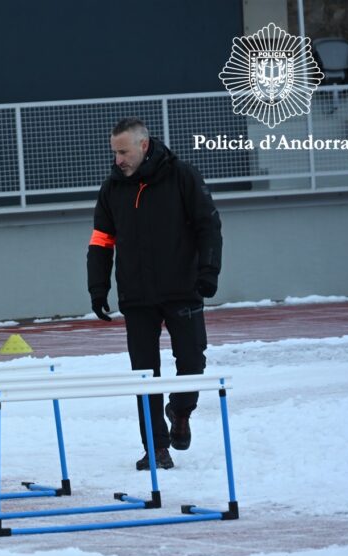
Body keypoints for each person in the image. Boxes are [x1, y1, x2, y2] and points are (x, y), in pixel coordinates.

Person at [86, 117, 222, 471]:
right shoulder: (112, 189)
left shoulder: (183, 176)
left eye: (124, 152)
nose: (118, 160)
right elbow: (101, 241)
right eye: (114, 153)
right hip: (137, 295)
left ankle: (180, 410)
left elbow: (209, 225)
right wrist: (98, 287)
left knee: (192, 363)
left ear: (143, 146)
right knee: (144, 375)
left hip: (183, 289)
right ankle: (156, 448)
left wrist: (208, 272)